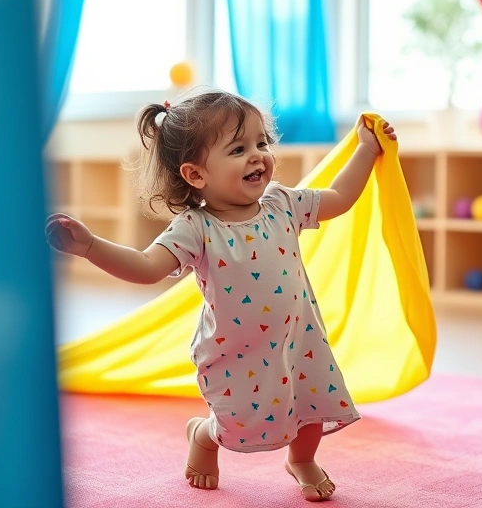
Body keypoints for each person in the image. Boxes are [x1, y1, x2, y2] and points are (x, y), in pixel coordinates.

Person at [45, 89, 397, 502]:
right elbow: (146, 267)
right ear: (196, 175)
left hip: (300, 341)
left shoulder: (282, 203)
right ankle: (204, 434)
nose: (258, 155)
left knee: (312, 407)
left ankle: (301, 459)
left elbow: (339, 198)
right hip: (235, 352)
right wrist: (90, 247)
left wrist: (365, 150)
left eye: (261, 142)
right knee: (239, 426)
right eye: (238, 148)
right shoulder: (195, 227)